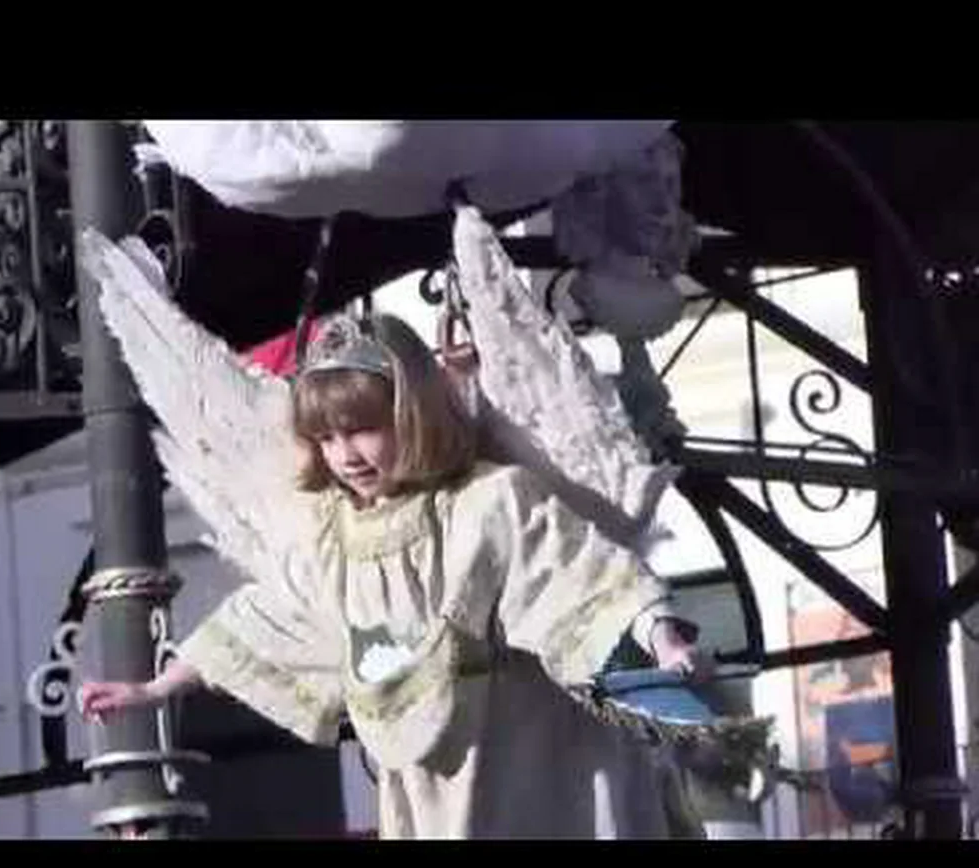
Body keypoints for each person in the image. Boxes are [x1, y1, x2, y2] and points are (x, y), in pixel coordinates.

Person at [78, 292, 706, 838]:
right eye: (327, 437)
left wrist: (661, 636)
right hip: (432, 784)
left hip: (535, 759)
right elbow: (267, 617)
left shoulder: (488, 501)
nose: (345, 455)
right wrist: (155, 689)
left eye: (362, 429)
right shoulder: (332, 536)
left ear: (413, 412)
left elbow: (583, 575)